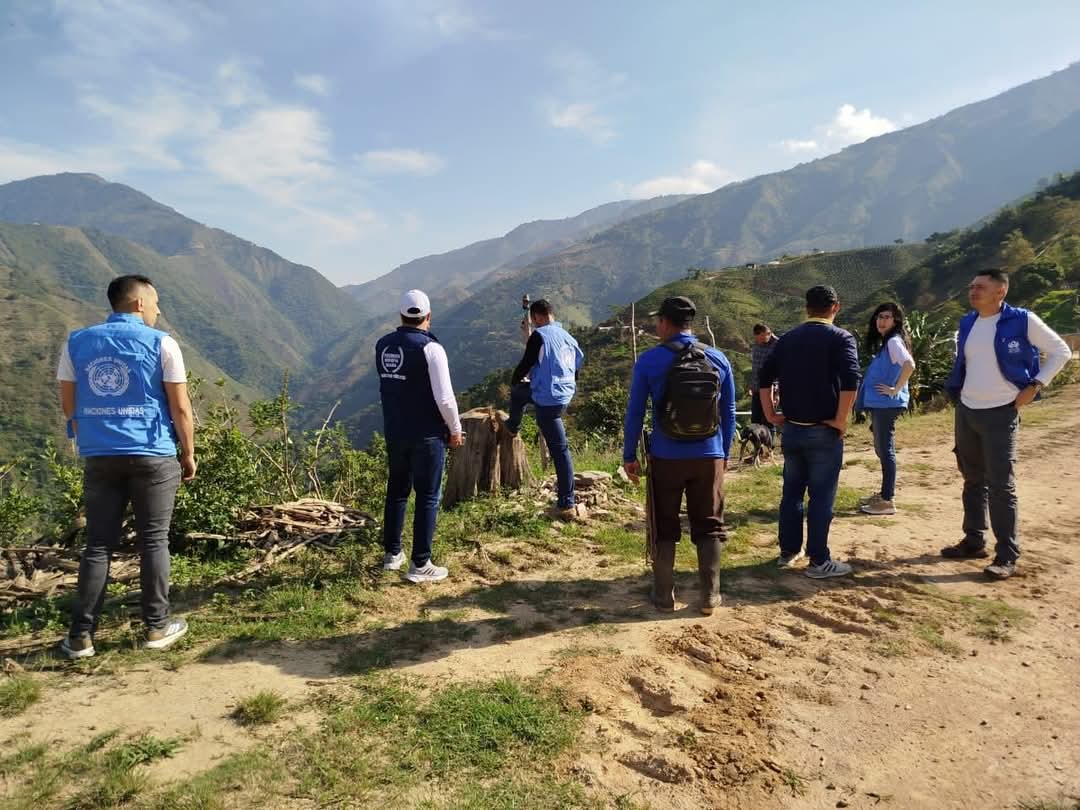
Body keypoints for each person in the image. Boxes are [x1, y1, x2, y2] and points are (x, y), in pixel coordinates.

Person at [56, 275, 196, 658]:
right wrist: (188, 453)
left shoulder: (77, 342)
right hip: (153, 454)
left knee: (98, 544)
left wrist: (94, 433)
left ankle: (81, 636)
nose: (158, 310)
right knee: (154, 540)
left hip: (100, 455)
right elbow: (180, 407)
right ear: (138, 304)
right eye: (155, 303)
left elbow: (69, 401)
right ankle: (156, 627)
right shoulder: (162, 343)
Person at [942, 269, 1071, 579]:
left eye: (981, 287)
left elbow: (1061, 351)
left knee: (1001, 486)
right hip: (968, 409)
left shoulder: (1023, 320)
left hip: (1001, 412)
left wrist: (1036, 385)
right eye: (972, 286)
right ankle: (974, 541)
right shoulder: (968, 322)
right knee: (973, 480)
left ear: (1000, 292)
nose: (973, 291)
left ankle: (1007, 555)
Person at [623, 296, 736, 614]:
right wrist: (723, 453)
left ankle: (663, 595)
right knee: (710, 523)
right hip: (709, 454)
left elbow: (635, 413)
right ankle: (710, 595)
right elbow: (728, 412)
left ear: (664, 323)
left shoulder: (649, 361)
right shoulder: (718, 359)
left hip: (665, 456)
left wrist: (629, 455)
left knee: (663, 523)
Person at [758, 285, 860, 578]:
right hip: (823, 431)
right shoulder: (841, 338)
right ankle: (819, 561)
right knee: (821, 497)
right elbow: (851, 378)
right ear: (836, 307)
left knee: (791, 494)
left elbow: (764, 377)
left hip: (791, 429)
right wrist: (841, 419)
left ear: (806, 308)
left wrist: (769, 414)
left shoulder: (788, 338)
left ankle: (789, 552)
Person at [375, 290, 464, 583]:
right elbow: (445, 398)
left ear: (401, 316)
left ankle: (392, 554)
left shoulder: (383, 346)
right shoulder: (431, 349)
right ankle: (421, 563)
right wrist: (455, 429)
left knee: (397, 491)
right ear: (428, 316)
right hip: (426, 435)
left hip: (395, 432)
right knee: (427, 496)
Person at [505, 298, 585, 520]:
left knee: (560, 450)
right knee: (522, 394)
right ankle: (513, 425)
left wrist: (514, 379)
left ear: (536, 317)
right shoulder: (567, 335)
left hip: (548, 397)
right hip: (564, 393)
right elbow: (578, 362)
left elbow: (525, 363)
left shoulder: (540, 335)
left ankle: (567, 502)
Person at [857, 303, 916, 516]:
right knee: (882, 449)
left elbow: (909, 365)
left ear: (895, 321)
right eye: (879, 317)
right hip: (882, 404)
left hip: (886, 404)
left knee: (885, 450)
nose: (881, 321)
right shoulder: (890, 342)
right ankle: (884, 494)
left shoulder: (893, 341)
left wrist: (894, 389)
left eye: (887, 317)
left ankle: (887, 500)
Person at [749, 323, 779, 431]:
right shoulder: (756, 344)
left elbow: (781, 369)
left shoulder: (778, 345)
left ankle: (769, 445)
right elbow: (755, 366)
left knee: (768, 419)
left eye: (762, 338)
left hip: (770, 388)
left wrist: (777, 393)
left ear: (768, 333)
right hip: (757, 388)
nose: (760, 341)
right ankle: (758, 445)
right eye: (758, 339)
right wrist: (752, 384)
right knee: (755, 419)